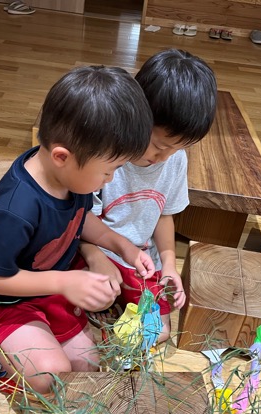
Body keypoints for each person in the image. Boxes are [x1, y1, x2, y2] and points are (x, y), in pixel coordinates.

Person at [0, 65, 155, 395]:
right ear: (61, 156)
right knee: (49, 377)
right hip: (6, 300)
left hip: (50, 288)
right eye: (108, 171)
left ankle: (26, 338)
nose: (109, 180)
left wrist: (122, 245)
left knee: (86, 366)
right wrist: (65, 282)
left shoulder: (71, 177)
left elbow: (80, 219)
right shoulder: (14, 210)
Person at [80, 49, 218, 346]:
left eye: (176, 148)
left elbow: (164, 215)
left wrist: (168, 264)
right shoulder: (107, 156)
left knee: (160, 330)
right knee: (92, 303)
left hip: (141, 261)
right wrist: (94, 257)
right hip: (98, 249)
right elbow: (79, 218)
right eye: (159, 145)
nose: (164, 157)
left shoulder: (175, 160)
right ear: (136, 115)